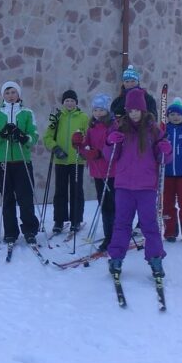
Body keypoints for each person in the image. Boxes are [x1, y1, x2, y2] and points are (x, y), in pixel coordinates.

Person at [105, 88, 172, 278]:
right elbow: (110, 156)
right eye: (130, 110)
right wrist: (110, 142)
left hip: (146, 187)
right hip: (124, 186)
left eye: (136, 110)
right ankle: (116, 258)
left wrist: (166, 150)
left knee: (149, 224)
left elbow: (163, 159)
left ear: (143, 110)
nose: (133, 113)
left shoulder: (153, 130)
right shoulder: (120, 128)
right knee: (121, 223)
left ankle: (155, 258)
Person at [0, 81, 39, 245]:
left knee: (25, 197)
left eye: (13, 92)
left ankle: (30, 230)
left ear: (18, 94)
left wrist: (22, 137)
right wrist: (1, 134)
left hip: (22, 160)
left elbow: (34, 136)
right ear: (3, 95)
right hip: (3, 162)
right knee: (7, 198)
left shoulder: (27, 113)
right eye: (7, 93)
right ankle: (10, 232)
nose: (10, 96)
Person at [72, 94, 116, 253]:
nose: (98, 113)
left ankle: (113, 236)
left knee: (111, 205)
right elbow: (86, 148)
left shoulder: (112, 126)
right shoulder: (92, 127)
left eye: (101, 110)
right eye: (95, 110)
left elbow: (114, 147)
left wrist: (99, 153)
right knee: (103, 204)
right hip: (97, 171)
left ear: (107, 110)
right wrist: (78, 144)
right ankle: (109, 234)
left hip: (111, 171)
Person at [43, 90, 90, 234]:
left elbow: (88, 137)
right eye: (67, 101)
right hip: (61, 159)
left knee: (76, 191)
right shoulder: (57, 117)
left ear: (76, 102)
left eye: (72, 101)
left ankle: (76, 220)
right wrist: (55, 148)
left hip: (77, 160)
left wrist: (83, 149)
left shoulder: (83, 117)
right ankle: (59, 220)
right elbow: (48, 137)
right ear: (63, 102)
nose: (69, 103)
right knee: (60, 191)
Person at [161, 98, 182, 243]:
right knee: (167, 204)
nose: (175, 117)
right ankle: (170, 232)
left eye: (178, 114)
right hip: (167, 174)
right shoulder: (164, 131)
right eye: (172, 114)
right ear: (168, 116)